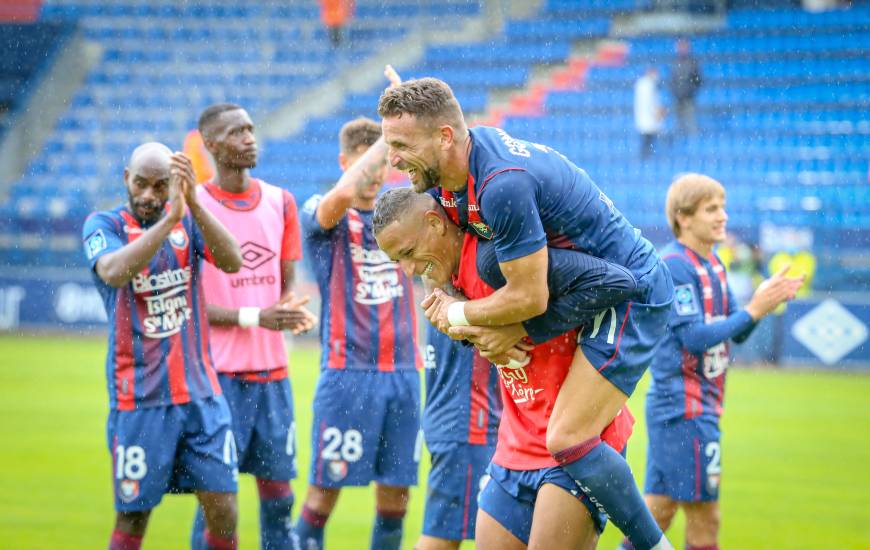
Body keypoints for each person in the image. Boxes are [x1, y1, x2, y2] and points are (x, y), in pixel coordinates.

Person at [377, 77, 675, 550]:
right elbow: (442, 262)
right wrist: (465, 318)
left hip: (633, 292)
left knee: (569, 437)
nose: (390, 157)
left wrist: (472, 318)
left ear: (445, 138)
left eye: (398, 145)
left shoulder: (500, 187)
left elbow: (533, 299)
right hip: (594, 290)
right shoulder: (454, 182)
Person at [373, 188, 638, 549]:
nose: (407, 271)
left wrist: (519, 326)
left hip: (574, 440)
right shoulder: (449, 281)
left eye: (407, 254)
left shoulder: (500, 258)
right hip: (515, 441)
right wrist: (468, 328)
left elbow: (619, 282)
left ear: (435, 224)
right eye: (396, 261)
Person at [625, 174, 804, 550]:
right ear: (683, 218)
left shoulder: (715, 264)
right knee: (705, 518)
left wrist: (760, 305)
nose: (723, 216)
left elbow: (736, 331)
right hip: (684, 410)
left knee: (656, 514)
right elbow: (692, 337)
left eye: (722, 207)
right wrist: (754, 309)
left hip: (692, 408)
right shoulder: (674, 266)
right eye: (712, 209)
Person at [81, 143, 243, 550]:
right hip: (139, 400)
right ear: (126, 179)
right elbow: (115, 272)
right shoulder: (104, 225)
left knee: (224, 512)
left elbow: (232, 261)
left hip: (201, 397)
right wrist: (169, 218)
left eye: (160, 186)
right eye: (141, 184)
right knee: (133, 517)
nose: (149, 195)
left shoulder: (187, 222)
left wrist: (192, 205)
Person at [294, 71, 421, 549]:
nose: (373, 180)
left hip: (404, 372)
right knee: (323, 495)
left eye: (382, 168)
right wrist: (389, 134)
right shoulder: (322, 212)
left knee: (395, 500)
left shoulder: (407, 212)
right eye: (365, 168)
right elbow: (343, 195)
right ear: (345, 162)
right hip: (348, 373)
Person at [190, 103, 317, 550]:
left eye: (250, 129)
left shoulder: (281, 202)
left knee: (280, 502)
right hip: (217, 382)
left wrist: (291, 310)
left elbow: (284, 286)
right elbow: (188, 304)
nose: (249, 138)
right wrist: (255, 317)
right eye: (236, 132)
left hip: (274, 379)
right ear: (210, 144)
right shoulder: (193, 208)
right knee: (217, 508)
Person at [417, 324, 501, 549]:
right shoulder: (469, 300)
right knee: (443, 536)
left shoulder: (445, 294)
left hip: (456, 420)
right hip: (468, 424)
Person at [669, 39, 702, 136]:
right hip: (677, 98)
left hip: (689, 98)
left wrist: (690, 90)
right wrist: (675, 92)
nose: (682, 49)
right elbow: (672, 80)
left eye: (684, 47)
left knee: (691, 123)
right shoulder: (674, 63)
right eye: (680, 47)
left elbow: (698, 80)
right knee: (678, 124)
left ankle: (692, 144)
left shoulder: (693, 62)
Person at [635, 67, 664, 159]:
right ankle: (646, 157)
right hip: (648, 119)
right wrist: (657, 112)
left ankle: (647, 157)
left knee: (647, 141)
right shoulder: (647, 85)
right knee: (648, 141)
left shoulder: (642, 84)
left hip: (646, 120)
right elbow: (650, 102)